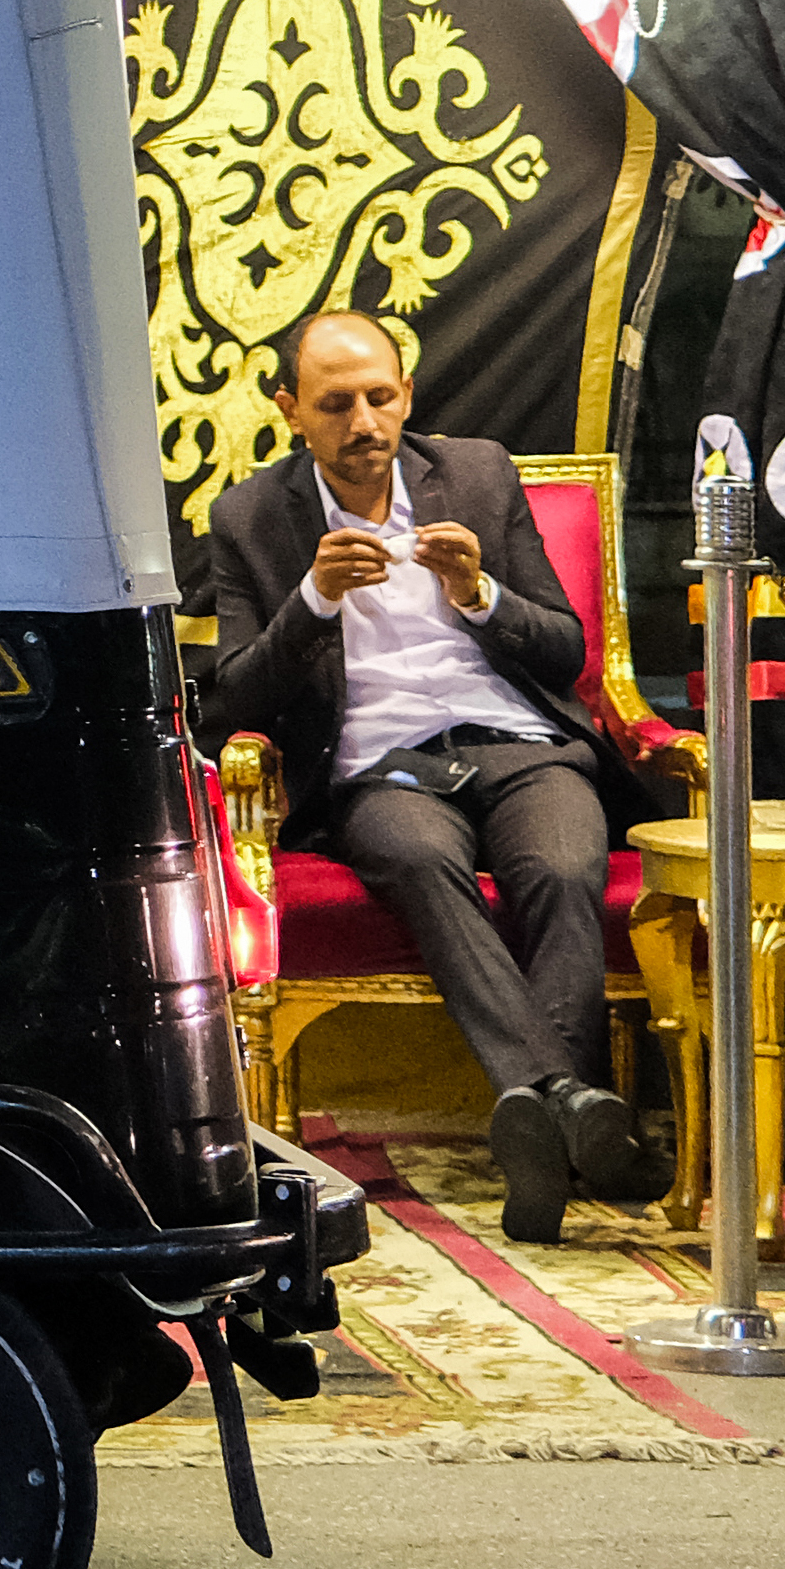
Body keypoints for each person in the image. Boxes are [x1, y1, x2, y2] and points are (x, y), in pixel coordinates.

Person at [195, 311, 651, 1239]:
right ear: (291, 410)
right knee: (419, 863)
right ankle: (568, 1103)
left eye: (380, 397)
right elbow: (226, 704)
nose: (363, 422)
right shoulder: (250, 517)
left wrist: (482, 594)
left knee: (565, 867)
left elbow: (564, 654)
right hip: (381, 767)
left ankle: (541, 1119)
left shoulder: (477, 473)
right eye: (335, 405)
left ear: (406, 395)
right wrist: (313, 599)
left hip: (518, 744)